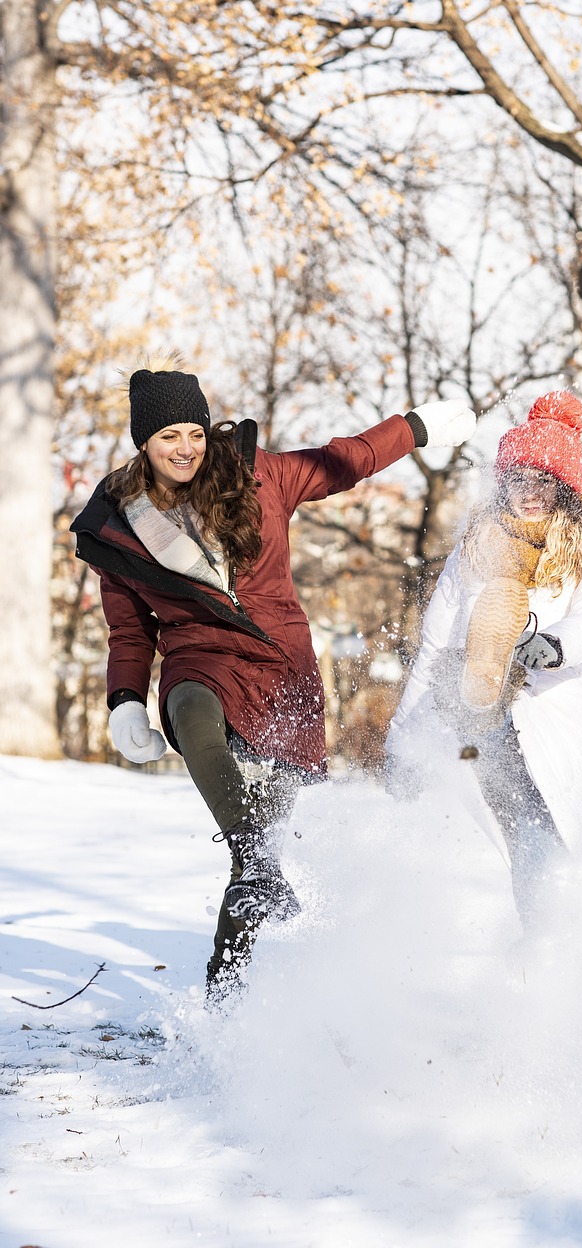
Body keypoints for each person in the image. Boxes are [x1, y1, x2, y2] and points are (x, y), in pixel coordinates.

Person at [70, 355, 476, 998]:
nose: (185, 448)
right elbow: (129, 630)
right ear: (143, 443)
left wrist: (416, 428)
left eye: (195, 433)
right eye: (168, 436)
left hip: (282, 666)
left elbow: (348, 458)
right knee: (192, 711)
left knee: (260, 850)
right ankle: (253, 857)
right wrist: (125, 699)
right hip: (198, 656)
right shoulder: (120, 526)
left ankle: (225, 993)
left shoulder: (263, 477)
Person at [385, 389, 582, 928]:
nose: (530, 492)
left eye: (544, 480)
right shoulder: (476, 546)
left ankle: (553, 957)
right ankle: (494, 972)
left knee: (539, 840)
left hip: (548, 718)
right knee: (483, 854)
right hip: (476, 728)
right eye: (519, 477)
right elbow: (431, 646)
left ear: (565, 486)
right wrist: (403, 741)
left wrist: (558, 644)